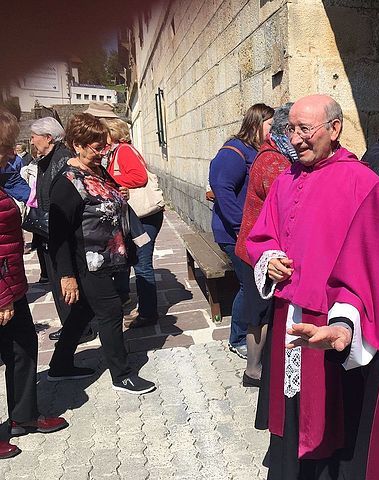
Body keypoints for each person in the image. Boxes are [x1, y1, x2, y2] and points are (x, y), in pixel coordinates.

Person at [246, 94, 379, 479]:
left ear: (334, 129)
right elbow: (262, 236)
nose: (297, 138)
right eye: (292, 129)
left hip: (333, 321)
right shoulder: (286, 179)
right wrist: (270, 261)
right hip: (289, 315)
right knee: (291, 413)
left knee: (334, 420)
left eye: (306, 129)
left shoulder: (362, 181)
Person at [47, 113, 155, 394]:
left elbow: (109, 195)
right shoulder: (67, 182)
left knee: (83, 311)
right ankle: (122, 375)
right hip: (87, 261)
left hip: (106, 257)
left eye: (103, 146)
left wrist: (120, 196)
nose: (101, 152)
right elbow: (58, 236)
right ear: (77, 144)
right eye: (96, 147)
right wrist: (67, 276)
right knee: (109, 311)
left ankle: (59, 365)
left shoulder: (94, 171)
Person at [0, 108, 67, 460]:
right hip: (2, 289)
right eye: (7, 146)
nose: (13, 153)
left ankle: (23, 415)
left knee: (24, 347)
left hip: (11, 282)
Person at [235, 103, 297, 387]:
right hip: (257, 252)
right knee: (259, 313)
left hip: (256, 248)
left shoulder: (275, 153)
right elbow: (289, 210)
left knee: (259, 310)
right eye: (296, 131)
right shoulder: (275, 163)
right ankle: (253, 371)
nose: (300, 139)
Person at [209, 103, 274, 359]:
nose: (274, 131)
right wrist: (240, 229)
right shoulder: (233, 152)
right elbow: (223, 192)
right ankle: (237, 338)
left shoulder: (254, 150)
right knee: (249, 286)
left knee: (250, 285)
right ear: (257, 124)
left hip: (248, 232)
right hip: (234, 233)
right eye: (270, 126)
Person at [30, 117, 95, 343]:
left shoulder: (62, 159)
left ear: (48, 137)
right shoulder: (49, 158)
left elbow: (60, 201)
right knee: (59, 281)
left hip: (57, 230)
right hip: (49, 229)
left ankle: (77, 328)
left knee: (66, 280)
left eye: (34, 136)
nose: (31, 140)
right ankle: (73, 326)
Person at [103, 118, 164, 328]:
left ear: (112, 133)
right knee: (133, 259)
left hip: (145, 217)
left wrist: (110, 183)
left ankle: (148, 314)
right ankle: (129, 298)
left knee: (142, 263)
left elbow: (139, 178)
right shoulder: (118, 151)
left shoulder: (123, 151)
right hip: (139, 217)